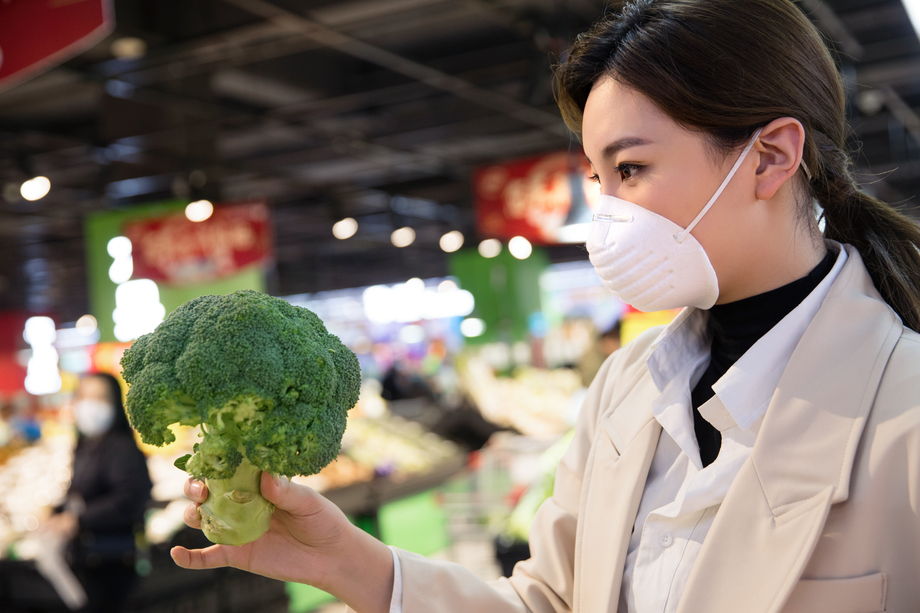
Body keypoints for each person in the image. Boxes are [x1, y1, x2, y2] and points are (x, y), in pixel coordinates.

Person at [170, 1, 920, 611]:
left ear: (771, 157)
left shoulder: (905, 408)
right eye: (599, 176)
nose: (608, 211)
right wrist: (350, 562)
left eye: (632, 167)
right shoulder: (627, 390)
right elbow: (553, 601)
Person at [43, 373, 152, 613]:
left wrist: (78, 520)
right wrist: (56, 511)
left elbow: (130, 498)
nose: (90, 404)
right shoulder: (85, 445)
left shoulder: (122, 448)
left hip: (112, 561)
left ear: (115, 403)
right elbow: (79, 491)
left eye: (100, 397)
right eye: (84, 396)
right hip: (86, 559)